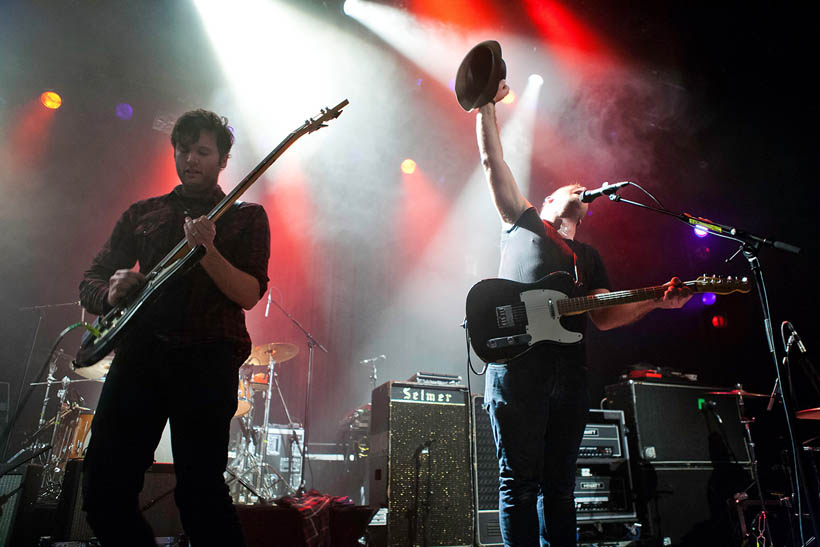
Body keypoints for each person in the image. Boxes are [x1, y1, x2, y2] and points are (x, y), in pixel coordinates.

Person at [476, 81, 692, 546]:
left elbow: (606, 316)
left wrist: (657, 300)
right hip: (518, 369)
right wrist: (485, 107)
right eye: (565, 187)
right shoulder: (523, 222)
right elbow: (494, 164)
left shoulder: (588, 258)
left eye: (581, 188)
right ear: (550, 202)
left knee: (559, 488)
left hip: (569, 378)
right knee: (519, 483)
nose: (579, 186)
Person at [79, 109, 270, 546]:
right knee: (103, 489)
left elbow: (247, 293)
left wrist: (208, 250)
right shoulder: (143, 213)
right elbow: (90, 280)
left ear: (223, 160)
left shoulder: (246, 216)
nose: (190, 159)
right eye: (183, 149)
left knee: (200, 494)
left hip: (208, 361)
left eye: (203, 151)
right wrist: (111, 292)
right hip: (140, 358)